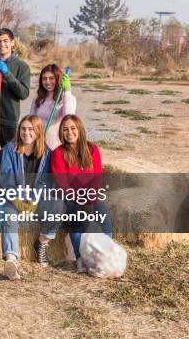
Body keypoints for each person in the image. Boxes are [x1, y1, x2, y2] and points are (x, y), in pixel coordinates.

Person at [50, 114, 111, 273]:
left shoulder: (92, 149)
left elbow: (97, 178)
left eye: (72, 128)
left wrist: (89, 200)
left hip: (90, 197)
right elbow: (62, 184)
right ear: (61, 133)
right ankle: (79, 259)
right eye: (65, 130)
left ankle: (107, 253)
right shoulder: (58, 153)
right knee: (75, 217)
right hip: (68, 198)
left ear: (80, 129)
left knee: (104, 213)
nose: (69, 132)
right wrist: (79, 201)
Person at [0, 115, 57, 275]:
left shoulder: (47, 154)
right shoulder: (9, 150)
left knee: (57, 205)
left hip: (36, 200)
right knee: (9, 216)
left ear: (38, 131)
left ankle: (42, 243)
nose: (26, 132)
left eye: (31, 129)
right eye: (23, 129)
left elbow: (46, 182)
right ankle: (11, 260)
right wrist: (19, 200)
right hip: (14, 199)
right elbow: (6, 180)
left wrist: (34, 200)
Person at [30, 64, 76, 150]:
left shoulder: (68, 98)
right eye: (44, 79)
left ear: (58, 79)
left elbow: (69, 118)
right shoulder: (37, 98)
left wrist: (67, 91)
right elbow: (31, 122)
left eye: (51, 78)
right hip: (39, 145)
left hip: (58, 147)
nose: (47, 82)